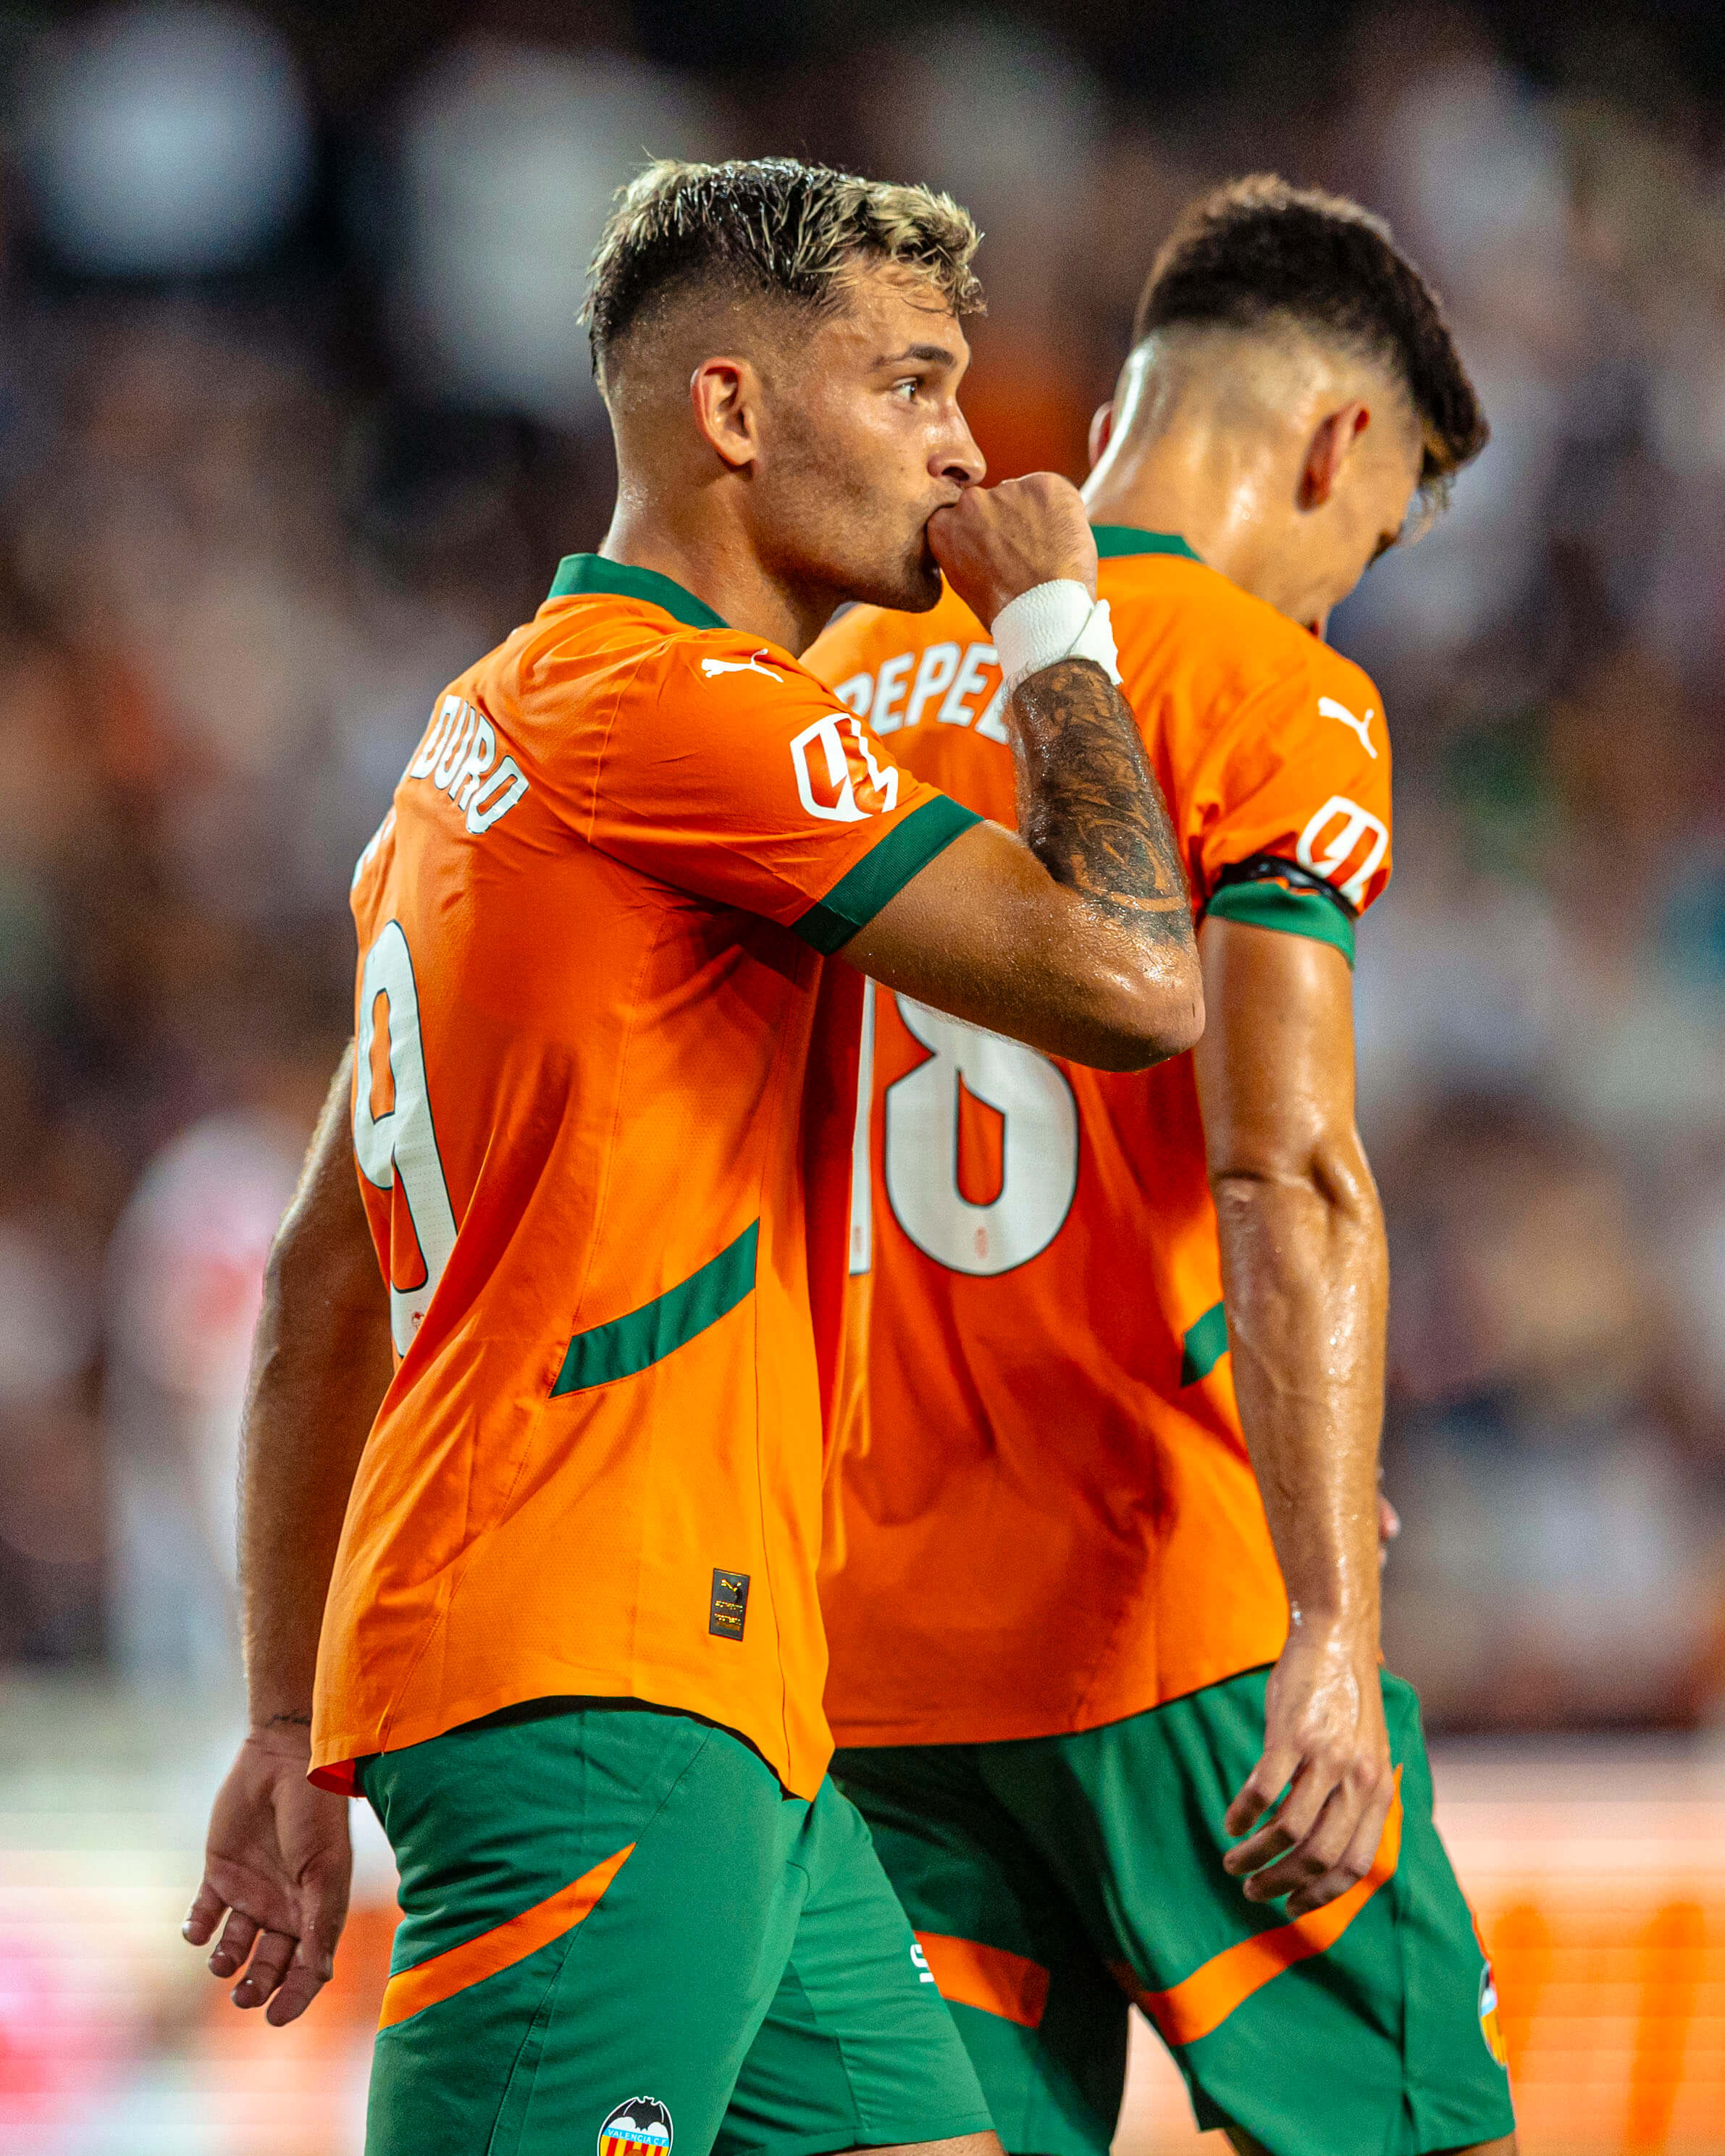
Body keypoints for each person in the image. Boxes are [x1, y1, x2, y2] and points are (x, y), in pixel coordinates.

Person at [180, 156, 1204, 2156]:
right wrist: (1061, 624)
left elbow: (326, 1278)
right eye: (909, 383)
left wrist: (291, 1716)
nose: (958, 445)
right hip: (599, 1690)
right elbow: (1137, 977)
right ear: (733, 411)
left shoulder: (479, 740)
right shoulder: (682, 714)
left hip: (721, 1709)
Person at [803, 177, 1515, 2156]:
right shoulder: (1261, 686)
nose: (1338, 593)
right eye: (1362, 543)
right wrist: (1331, 1626)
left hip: (882, 1658)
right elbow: (1288, 1172)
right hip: (1176, 1617)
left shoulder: (840, 674)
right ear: (1337, 440)